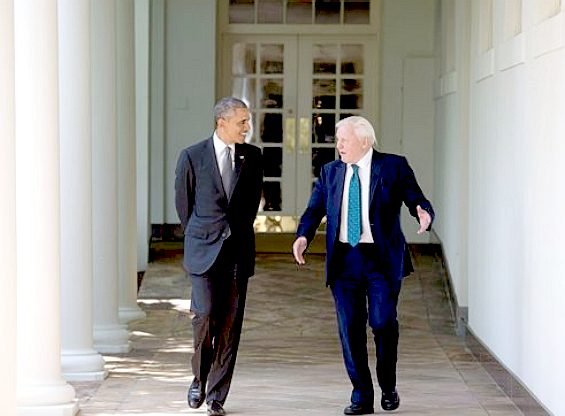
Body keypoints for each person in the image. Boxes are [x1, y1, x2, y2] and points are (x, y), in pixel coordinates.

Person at [292, 116, 434, 415]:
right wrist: (303, 235)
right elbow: (315, 208)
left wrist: (422, 211)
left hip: (381, 261)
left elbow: (414, 197)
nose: (338, 145)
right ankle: (361, 394)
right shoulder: (330, 172)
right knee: (350, 329)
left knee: (382, 323)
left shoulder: (393, 166)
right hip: (344, 261)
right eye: (338, 139)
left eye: (344, 139)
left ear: (365, 141)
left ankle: (388, 385)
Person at [175, 97, 263, 416]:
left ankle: (217, 396)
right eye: (241, 122)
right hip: (203, 251)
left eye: (247, 121)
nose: (247, 127)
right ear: (221, 122)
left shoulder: (253, 156)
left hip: (238, 252)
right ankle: (199, 377)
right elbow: (184, 206)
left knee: (229, 324)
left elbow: (252, 203)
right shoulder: (192, 156)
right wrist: (203, 234)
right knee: (204, 315)